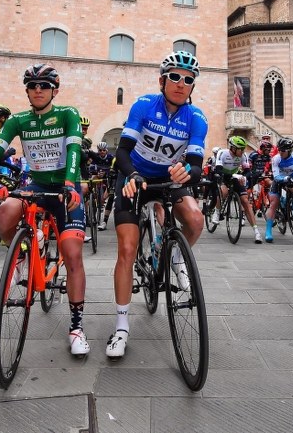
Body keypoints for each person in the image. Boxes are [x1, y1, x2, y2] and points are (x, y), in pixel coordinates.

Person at [106, 51, 207, 359]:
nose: (181, 83)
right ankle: (121, 327)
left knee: (194, 218)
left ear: (192, 87)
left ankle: (176, 257)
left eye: (188, 79)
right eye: (175, 76)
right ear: (163, 80)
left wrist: (187, 171)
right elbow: (122, 151)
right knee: (127, 249)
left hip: (167, 180)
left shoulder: (197, 118)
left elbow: (197, 166)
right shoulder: (144, 105)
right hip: (133, 175)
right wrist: (132, 174)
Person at [0, 63, 90, 356]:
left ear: (54, 89)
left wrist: (70, 183)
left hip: (66, 189)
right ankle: (20, 257)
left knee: (72, 254)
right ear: (27, 91)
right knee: (5, 210)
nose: (38, 90)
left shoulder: (67, 114)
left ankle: (77, 327)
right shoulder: (18, 120)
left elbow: (73, 150)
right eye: (33, 86)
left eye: (44, 85)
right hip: (38, 186)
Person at [211, 135, 261, 243]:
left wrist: (244, 177)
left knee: (245, 201)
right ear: (233, 148)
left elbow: (247, 171)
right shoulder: (222, 153)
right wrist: (222, 181)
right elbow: (218, 170)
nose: (243, 151)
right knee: (223, 192)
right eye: (240, 149)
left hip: (235, 176)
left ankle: (256, 231)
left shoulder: (243, 155)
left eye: (243, 149)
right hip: (222, 175)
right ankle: (217, 211)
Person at [262, 138, 293, 244]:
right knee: (274, 203)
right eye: (279, 150)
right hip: (280, 180)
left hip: (292, 179)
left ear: (290, 151)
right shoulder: (276, 159)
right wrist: (285, 179)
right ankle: (268, 231)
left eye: (283, 150)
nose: (280, 152)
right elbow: (276, 176)